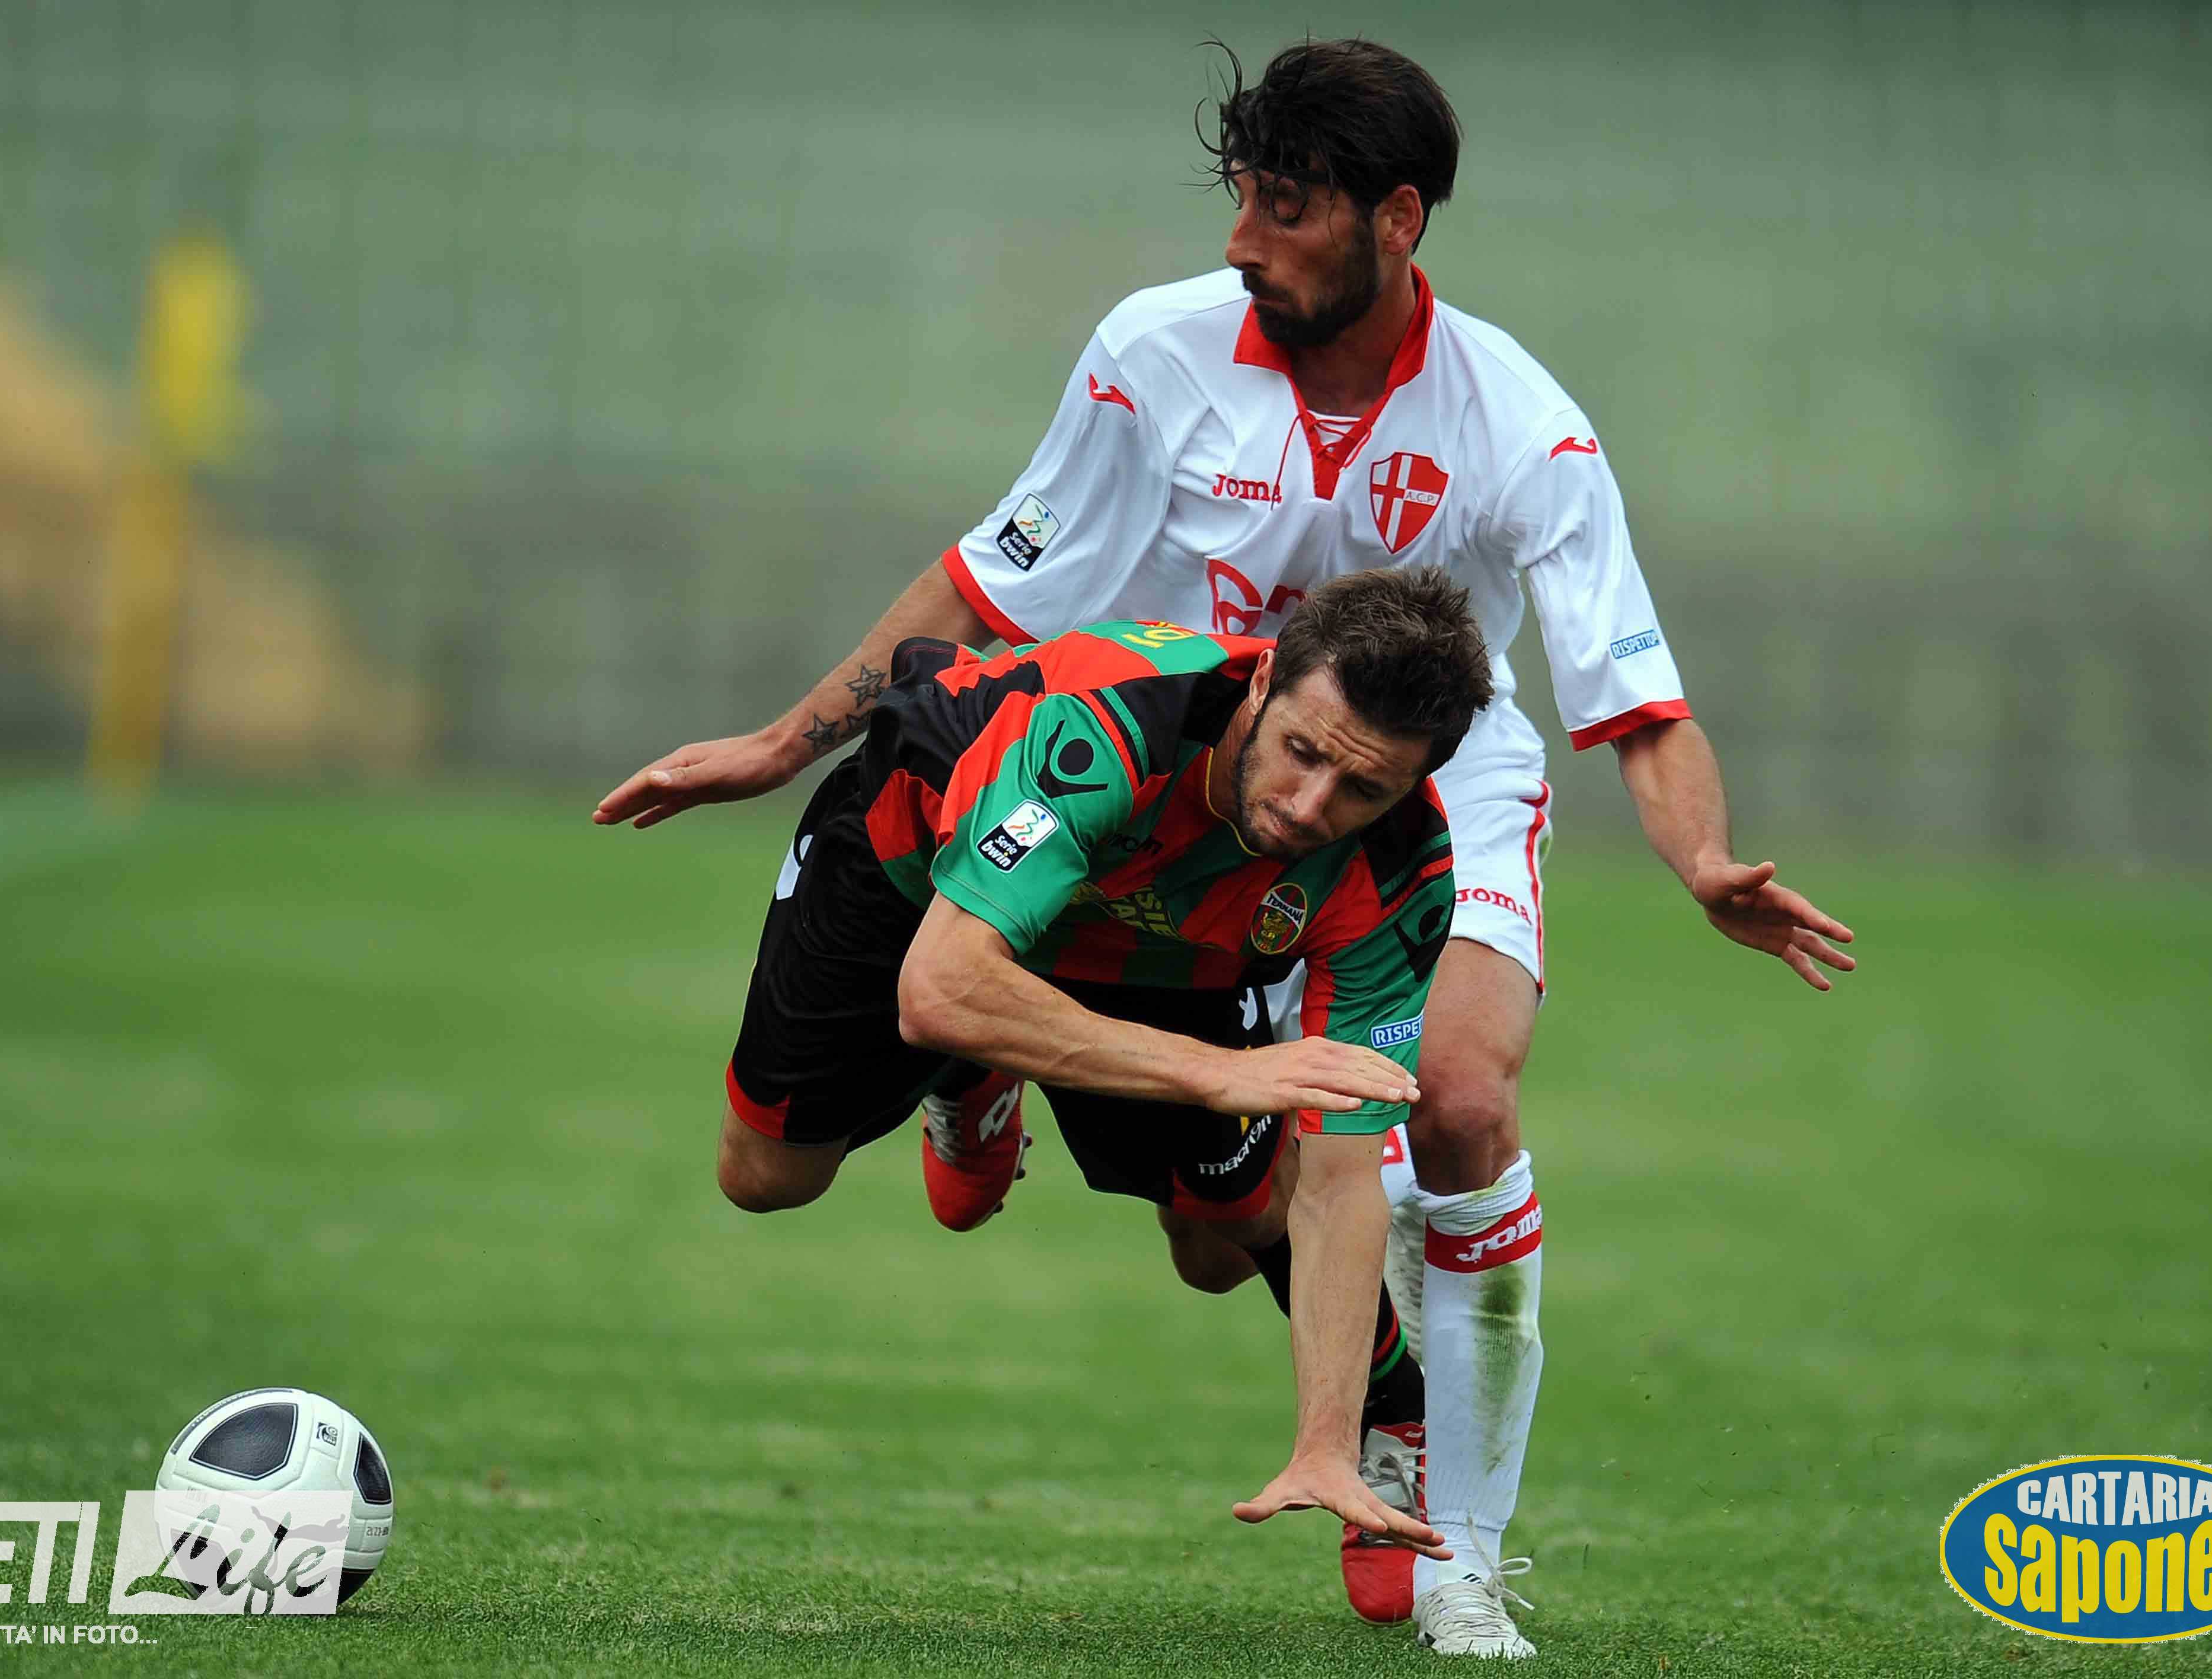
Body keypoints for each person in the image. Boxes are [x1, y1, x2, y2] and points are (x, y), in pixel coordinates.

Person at [595, 38, 1856, 1661]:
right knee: (1044, 1176)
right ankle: (987, 1050)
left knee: (1449, 1107)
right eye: (1243, 197)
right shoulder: (1155, 351)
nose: (1244, 239)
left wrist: (1701, 862)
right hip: (1184, 771)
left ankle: (1456, 1545)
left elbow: (1635, 693)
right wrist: (786, 743)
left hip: (1418, 786)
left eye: (1287, 206)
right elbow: (998, 577)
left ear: (1397, 220)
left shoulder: (1524, 427)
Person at [681, 568, 1493, 1565]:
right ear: (1262, 680)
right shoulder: (1110, 727)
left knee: (1225, 1242)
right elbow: (939, 988)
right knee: (766, 1177)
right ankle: (976, 1067)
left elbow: (1341, 1177)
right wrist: (1214, 1072)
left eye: (1362, 789)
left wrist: (1323, 1443)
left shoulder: (1403, 875)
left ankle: (1390, 1413)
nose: (1309, 806)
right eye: (1302, 751)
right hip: (918, 877)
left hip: (1159, 943)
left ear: (1415, 784)